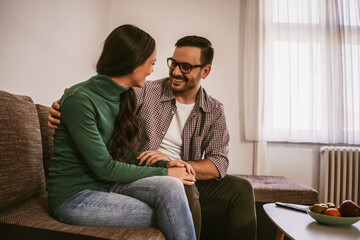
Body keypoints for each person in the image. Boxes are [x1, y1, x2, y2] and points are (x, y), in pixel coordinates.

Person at [49, 35, 256, 240]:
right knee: (183, 188)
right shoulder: (145, 90)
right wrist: (63, 104)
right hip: (143, 170)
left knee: (240, 188)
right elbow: (106, 95)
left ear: (205, 71)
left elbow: (219, 163)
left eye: (185, 67)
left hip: (179, 168)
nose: (175, 72)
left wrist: (177, 166)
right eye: (173, 63)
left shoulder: (213, 109)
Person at [46, 24, 196, 240]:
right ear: (134, 62)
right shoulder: (81, 99)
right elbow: (105, 168)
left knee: (172, 189)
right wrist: (166, 173)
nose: (153, 70)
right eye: (151, 63)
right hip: (73, 198)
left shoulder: (124, 96)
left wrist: (166, 165)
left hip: (106, 186)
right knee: (171, 212)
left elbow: (123, 155)